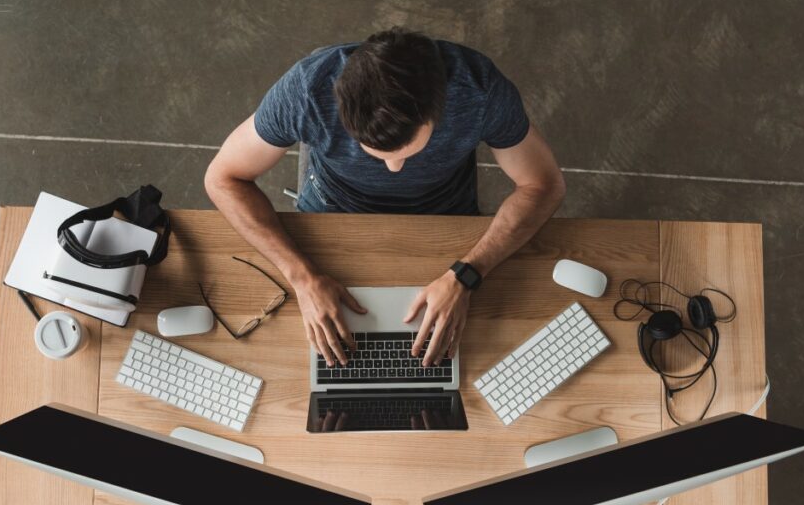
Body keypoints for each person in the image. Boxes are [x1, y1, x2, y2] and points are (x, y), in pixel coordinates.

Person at [204, 28, 565, 370]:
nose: (394, 169)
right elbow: (223, 178)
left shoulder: (479, 91)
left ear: (439, 108)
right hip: (333, 205)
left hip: (444, 210)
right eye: (377, 153)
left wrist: (466, 275)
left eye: (407, 152)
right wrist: (301, 277)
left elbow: (543, 185)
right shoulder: (305, 92)